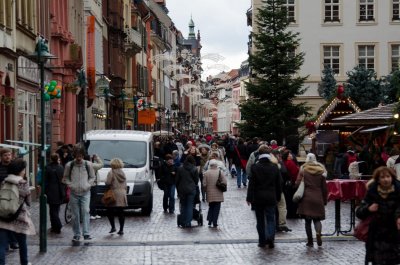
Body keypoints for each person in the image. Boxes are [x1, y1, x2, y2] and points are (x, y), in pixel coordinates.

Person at [356, 166, 400, 265]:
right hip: (376, 236)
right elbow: (359, 212)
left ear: (392, 177)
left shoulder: (398, 191)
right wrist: (368, 209)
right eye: (382, 177)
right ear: (378, 179)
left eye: (388, 176)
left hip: (393, 235)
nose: (386, 179)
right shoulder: (372, 192)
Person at [0, 158, 35, 265]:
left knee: (1, 245)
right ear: (20, 170)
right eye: (24, 169)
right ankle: (24, 262)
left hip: (3, 216)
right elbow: (28, 202)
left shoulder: (4, 181)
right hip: (19, 218)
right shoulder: (23, 183)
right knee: (22, 243)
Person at [246, 147, 282, 248]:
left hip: (258, 198)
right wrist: (278, 196)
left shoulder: (255, 167)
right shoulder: (274, 167)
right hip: (271, 196)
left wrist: (249, 198)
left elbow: (251, 184)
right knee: (271, 218)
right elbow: (279, 184)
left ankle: (262, 241)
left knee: (260, 220)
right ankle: (270, 237)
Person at [62, 145, 96, 242]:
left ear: (83, 155)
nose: (79, 158)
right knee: (75, 215)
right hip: (74, 193)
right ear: (74, 155)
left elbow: (92, 177)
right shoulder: (70, 165)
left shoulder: (88, 165)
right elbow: (65, 178)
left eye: (80, 156)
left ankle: (86, 233)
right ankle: (76, 234)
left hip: (85, 192)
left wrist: (88, 185)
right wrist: (71, 185)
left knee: (85, 211)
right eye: (77, 156)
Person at [295, 153, 328, 247]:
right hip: (318, 197)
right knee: (317, 219)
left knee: (307, 221)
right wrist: (324, 200)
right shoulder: (321, 171)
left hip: (306, 197)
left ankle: (310, 242)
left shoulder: (303, 169)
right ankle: (318, 233)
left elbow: (297, 183)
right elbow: (324, 188)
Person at [0, 148, 19, 251]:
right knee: (3, 220)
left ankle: (13, 241)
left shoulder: (14, 167)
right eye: (5, 155)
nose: (8, 157)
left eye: (9, 155)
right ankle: (6, 242)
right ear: (1, 157)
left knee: (12, 219)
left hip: (12, 196)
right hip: (1, 196)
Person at [105, 158, 128, 235]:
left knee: (109, 211)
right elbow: (125, 184)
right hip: (122, 193)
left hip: (114, 193)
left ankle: (113, 227)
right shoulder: (122, 173)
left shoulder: (111, 172)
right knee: (121, 212)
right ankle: (121, 229)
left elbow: (108, 182)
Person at [175, 155, 199, 228]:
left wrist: (178, 189)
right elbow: (196, 181)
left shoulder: (180, 168)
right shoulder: (194, 169)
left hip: (182, 189)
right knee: (189, 206)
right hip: (191, 189)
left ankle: (183, 222)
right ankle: (188, 222)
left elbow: (177, 181)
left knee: (183, 205)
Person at [45, 153, 65, 234]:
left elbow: (45, 180)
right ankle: (54, 227)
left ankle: (58, 225)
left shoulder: (48, 168)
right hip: (60, 191)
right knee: (56, 209)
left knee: (52, 210)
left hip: (51, 191)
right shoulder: (61, 167)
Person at [203, 159, 227, 228]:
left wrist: (206, 190)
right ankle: (215, 222)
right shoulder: (220, 172)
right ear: (216, 165)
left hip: (209, 193)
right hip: (218, 193)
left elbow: (204, 184)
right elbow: (224, 182)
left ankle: (210, 221)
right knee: (217, 208)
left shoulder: (206, 173)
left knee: (211, 207)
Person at [89, 154, 104, 220]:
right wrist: (97, 158)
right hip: (93, 184)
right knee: (92, 200)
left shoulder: (85, 165)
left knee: (92, 200)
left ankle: (94, 213)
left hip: (89, 184)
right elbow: (101, 164)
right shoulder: (92, 165)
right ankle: (91, 214)